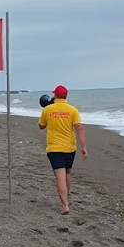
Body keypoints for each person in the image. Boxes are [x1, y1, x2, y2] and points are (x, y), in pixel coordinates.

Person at [38, 85, 88, 214]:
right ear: (66, 96)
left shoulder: (48, 109)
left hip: (54, 147)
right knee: (67, 173)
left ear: (55, 95)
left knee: (59, 175)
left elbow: (41, 126)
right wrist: (84, 147)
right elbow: (79, 128)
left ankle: (65, 205)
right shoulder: (73, 110)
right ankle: (67, 198)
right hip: (70, 147)